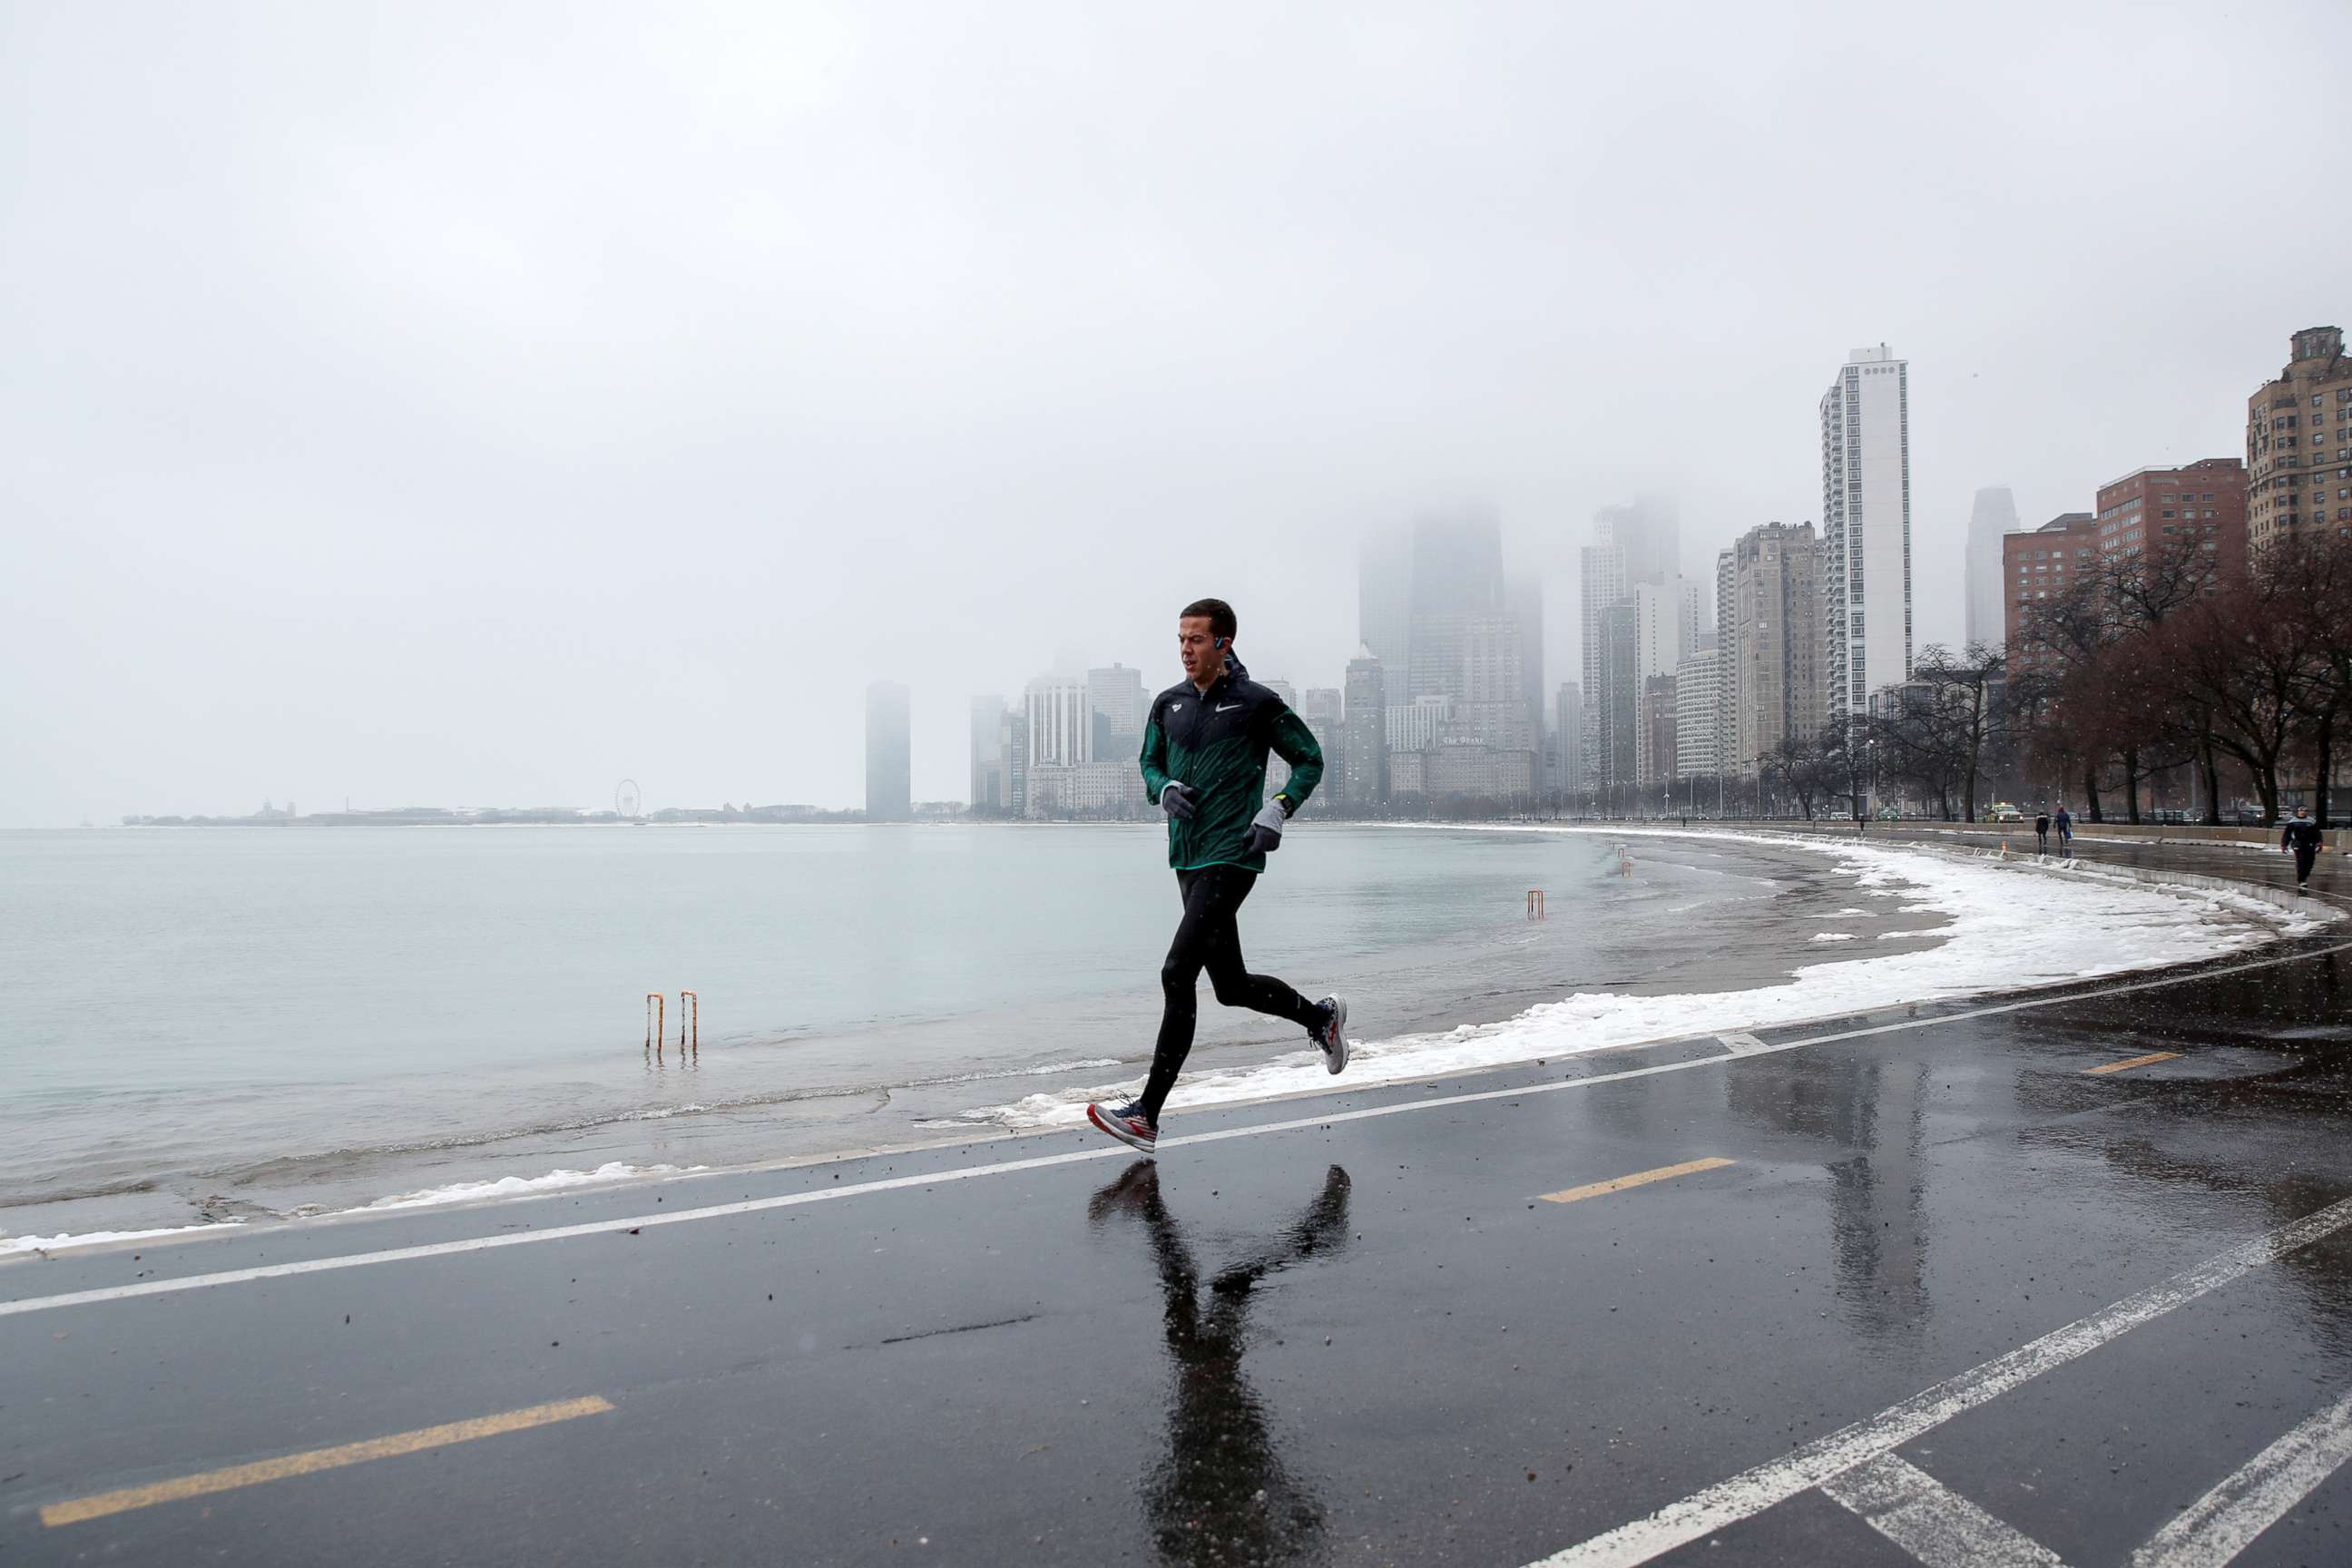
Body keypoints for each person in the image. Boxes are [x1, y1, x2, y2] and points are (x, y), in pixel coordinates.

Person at [1087, 598, 1348, 1154]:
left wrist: (1278, 807)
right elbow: (1148, 763)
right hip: (1185, 856)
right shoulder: (1168, 704)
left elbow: (1310, 759)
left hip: (1233, 855)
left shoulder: (1258, 704)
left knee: (1176, 973)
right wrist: (1163, 789)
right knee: (1230, 988)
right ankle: (1320, 1017)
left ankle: (1146, 1116)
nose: (1186, 649)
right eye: (1181, 639)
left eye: (1197, 640)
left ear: (1224, 643)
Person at [2282, 805, 2324, 892]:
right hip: (2298, 844)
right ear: (2298, 812)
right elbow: (2287, 835)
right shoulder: (2292, 822)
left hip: (2310, 844)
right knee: (2301, 861)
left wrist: (2319, 843)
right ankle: (2301, 880)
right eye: (2301, 811)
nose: (2303, 812)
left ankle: (2305, 875)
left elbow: (2317, 834)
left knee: (2309, 862)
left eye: (2305, 811)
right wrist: (2284, 845)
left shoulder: (2311, 821)